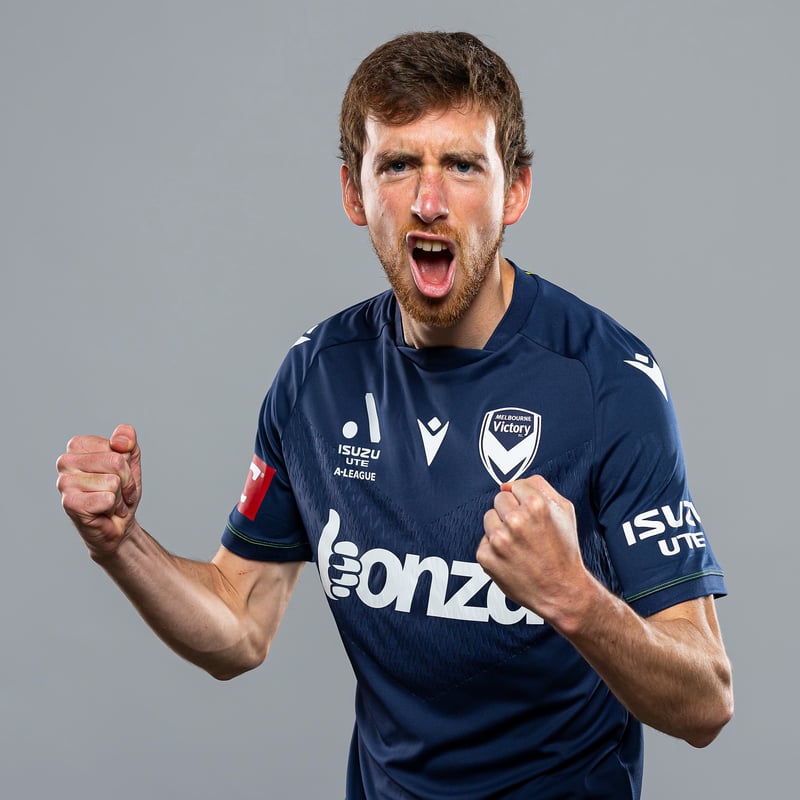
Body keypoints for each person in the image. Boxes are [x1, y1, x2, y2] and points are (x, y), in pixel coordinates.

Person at [56, 31, 733, 799]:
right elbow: (238, 624)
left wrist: (574, 599)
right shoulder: (317, 377)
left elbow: (706, 700)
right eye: (399, 165)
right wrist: (122, 545)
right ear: (354, 192)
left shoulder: (606, 380)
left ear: (515, 191)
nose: (429, 202)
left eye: (463, 166)